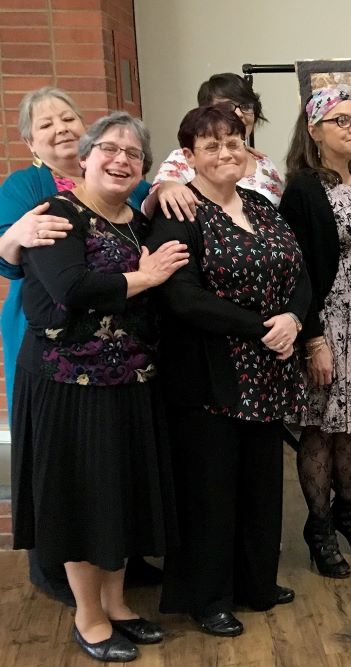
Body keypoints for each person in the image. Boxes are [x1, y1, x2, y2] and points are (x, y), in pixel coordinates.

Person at [12, 112, 189, 662]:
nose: (120, 160)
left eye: (133, 154)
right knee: (81, 501)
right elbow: (71, 288)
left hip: (129, 380)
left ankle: (116, 605)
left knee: (118, 495)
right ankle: (87, 616)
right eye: (109, 148)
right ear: (83, 158)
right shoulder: (56, 215)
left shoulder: (136, 221)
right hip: (69, 386)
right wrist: (147, 278)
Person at [150, 105, 308, 637]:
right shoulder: (177, 212)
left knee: (260, 485)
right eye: (211, 145)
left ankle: (255, 583)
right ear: (189, 155)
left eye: (233, 142)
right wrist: (263, 325)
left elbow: (300, 272)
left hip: (267, 372)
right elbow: (182, 297)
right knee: (210, 490)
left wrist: (294, 317)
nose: (225, 153)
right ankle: (208, 596)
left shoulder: (262, 206)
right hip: (209, 376)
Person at [0, 87, 158, 607]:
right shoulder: (34, 192)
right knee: (69, 474)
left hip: (121, 359)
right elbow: (27, 266)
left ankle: (117, 588)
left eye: (68, 117)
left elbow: (149, 209)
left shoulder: (124, 183)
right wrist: (16, 234)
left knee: (112, 474)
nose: (61, 128)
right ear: (30, 140)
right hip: (55, 344)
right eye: (46, 124)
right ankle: (70, 591)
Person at [279, 86, 351, 579]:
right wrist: (314, 338)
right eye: (341, 120)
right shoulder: (305, 189)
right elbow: (298, 271)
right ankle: (320, 528)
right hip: (327, 325)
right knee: (321, 427)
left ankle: (350, 515)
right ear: (314, 131)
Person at [145, 72, 283, 221]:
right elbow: (151, 207)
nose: (240, 113)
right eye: (228, 106)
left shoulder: (264, 162)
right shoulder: (184, 158)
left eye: (246, 106)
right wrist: (166, 187)